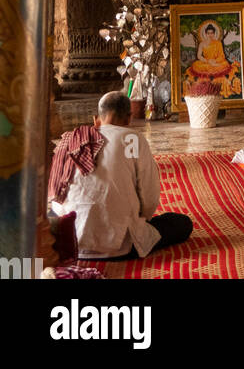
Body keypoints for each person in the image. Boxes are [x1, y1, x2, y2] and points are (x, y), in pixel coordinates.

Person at [49, 91, 193, 260]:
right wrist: (141, 220)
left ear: (96, 119)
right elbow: (149, 196)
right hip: (121, 247)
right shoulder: (132, 139)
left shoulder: (72, 139)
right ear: (128, 119)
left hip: (72, 242)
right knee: (181, 223)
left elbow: (56, 199)